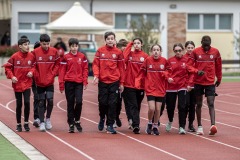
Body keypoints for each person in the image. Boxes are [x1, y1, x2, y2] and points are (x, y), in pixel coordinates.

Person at [187, 35, 222, 135]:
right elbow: (188, 66)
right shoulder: (196, 52)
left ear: (210, 43)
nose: (206, 47)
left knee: (211, 103)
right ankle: (200, 126)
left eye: (208, 45)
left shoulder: (215, 52)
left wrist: (219, 78)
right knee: (199, 104)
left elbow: (219, 66)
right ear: (201, 42)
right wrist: (197, 71)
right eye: (205, 45)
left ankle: (213, 125)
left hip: (210, 82)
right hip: (198, 82)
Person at [92, 31, 125, 134]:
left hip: (114, 81)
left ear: (114, 40)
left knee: (112, 103)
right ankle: (102, 117)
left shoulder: (118, 52)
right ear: (105, 40)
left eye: (112, 38)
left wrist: (121, 83)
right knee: (103, 103)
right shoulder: (100, 51)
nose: (110, 40)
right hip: (103, 81)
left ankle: (110, 125)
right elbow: (96, 64)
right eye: (108, 39)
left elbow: (121, 68)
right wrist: (96, 75)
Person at [135, 44, 172, 135]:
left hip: (160, 88)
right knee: (152, 108)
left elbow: (169, 71)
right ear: (151, 51)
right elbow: (141, 73)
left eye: (157, 50)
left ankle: (155, 126)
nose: (156, 52)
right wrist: (138, 82)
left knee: (158, 109)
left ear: (160, 51)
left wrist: (167, 76)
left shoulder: (164, 61)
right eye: (154, 50)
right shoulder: (148, 60)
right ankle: (149, 123)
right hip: (150, 88)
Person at [3, 37, 34, 132]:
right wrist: (12, 76)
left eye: (28, 44)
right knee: (19, 104)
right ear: (20, 46)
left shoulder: (31, 56)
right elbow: (7, 68)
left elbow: (34, 66)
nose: (27, 46)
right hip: (17, 84)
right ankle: (18, 124)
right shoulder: (15, 56)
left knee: (27, 103)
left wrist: (32, 72)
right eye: (25, 44)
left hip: (27, 84)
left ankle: (26, 122)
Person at [58, 38, 88, 133]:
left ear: (78, 46)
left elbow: (85, 70)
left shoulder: (82, 57)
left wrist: (85, 81)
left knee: (79, 102)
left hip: (78, 83)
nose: (74, 48)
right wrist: (61, 84)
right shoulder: (66, 57)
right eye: (72, 46)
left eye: (76, 46)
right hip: (69, 83)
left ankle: (77, 120)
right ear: (69, 47)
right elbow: (62, 71)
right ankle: (71, 123)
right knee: (70, 103)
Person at [32, 34, 60, 132]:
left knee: (50, 100)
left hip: (49, 81)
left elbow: (57, 64)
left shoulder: (54, 51)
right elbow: (32, 65)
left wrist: (53, 73)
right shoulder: (35, 52)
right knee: (41, 102)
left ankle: (48, 119)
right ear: (40, 43)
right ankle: (42, 122)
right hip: (39, 82)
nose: (46, 46)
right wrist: (36, 75)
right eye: (44, 44)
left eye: (48, 44)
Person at [165, 43, 194, 135]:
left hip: (182, 86)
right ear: (174, 51)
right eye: (176, 51)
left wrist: (189, 84)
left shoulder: (187, 60)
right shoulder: (170, 61)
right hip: (171, 87)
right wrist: (168, 78)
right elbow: (166, 72)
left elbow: (191, 73)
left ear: (182, 50)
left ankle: (182, 127)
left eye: (179, 50)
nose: (178, 52)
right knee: (170, 107)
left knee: (182, 106)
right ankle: (170, 120)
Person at [122, 38, 148, 134]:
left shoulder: (145, 56)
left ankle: (133, 120)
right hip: (129, 84)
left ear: (142, 44)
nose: (136, 45)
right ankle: (136, 125)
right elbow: (123, 58)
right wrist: (130, 44)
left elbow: (146, 71)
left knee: (137, 105)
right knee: (133, 105)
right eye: (135, 43)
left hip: (140, 86)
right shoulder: (130, 54)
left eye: (138, 43)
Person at [114, 38, 128, 128]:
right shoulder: (116, 56)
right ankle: (114, 118)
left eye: (125, 46)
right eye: (122, 46)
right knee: (116, 102)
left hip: (127, 83)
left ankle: (118, 116)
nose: (124, 48)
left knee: (126, 103)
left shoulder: (128, 56)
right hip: (116, 82)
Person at [184, 41, 196, 132]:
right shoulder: (183, 58)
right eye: (188, 47)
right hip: (185, 85)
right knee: (185, 104)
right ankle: (182, 123)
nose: (190, 49)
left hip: (195, 85)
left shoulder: (196, 58)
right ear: (185, 48)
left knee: (193, 105)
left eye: (192, 47)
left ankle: (191, 124)